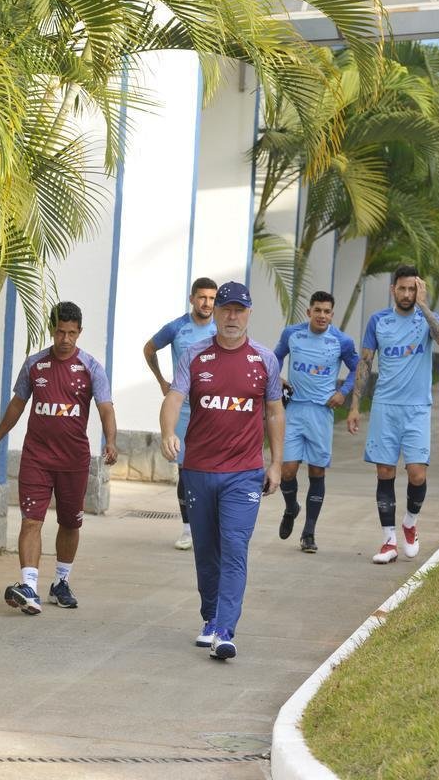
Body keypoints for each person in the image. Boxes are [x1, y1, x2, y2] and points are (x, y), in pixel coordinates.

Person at [160, 281, 284, 660]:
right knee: (207, 551)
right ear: (215, 313)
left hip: (244, 473)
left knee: (234, 547)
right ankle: (210, 616)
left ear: (248, 314)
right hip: (198, 469)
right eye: (226, 309)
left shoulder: (264, 359)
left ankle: (226, 630)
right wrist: (168, 432)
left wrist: (276, 463)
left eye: (239, 310)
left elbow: (275, 411)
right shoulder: (195, 356)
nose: (232, 316)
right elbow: (174, 398)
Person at [0, 301, 118, 614]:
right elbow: (17, 405)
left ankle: (60, 582)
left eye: (72, 333)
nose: (66, 339)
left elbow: (106, 407)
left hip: (73, 460)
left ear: (79, 332)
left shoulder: (91, 367)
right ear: (52, 330)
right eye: (60, 332)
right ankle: (29, 586)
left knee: (70, 522)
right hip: (37, 458)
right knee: (31, 520)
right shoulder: (34, 365)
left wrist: (110, 441)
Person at [347, 266, 439, 564]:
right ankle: (389, 540)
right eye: (402, 289)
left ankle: (410, 522)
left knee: (417, 473)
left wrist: (424, 305)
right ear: (393, 288)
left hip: (418, 408)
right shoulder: (378, 321)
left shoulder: (427, 320)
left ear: (418, 289)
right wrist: (355, 406)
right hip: (384, 408)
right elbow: (365, 364)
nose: (407, 294)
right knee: (385, 472)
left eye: (412, 289)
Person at [274, 291, 359, 553]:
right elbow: (275, 357)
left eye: (327, 312)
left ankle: (309, 533)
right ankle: (291, 508)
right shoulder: (292, 334)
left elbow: (358, 368)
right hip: (294, 411)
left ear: (332, 315)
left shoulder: (341, 341)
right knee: (287, 470)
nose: (322, 315)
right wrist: (276, 378)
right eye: (317, 310)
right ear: (309, 312)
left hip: (322, 414)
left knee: (316, 472)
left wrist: (343, 393)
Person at [144, 278, 217, 550]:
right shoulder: (177, 328)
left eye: (212, 298)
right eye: (202, 297)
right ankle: (188, 529)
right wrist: (163, 381)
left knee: (211, 470)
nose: (207, 303)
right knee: (186, 472)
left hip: (212, 410)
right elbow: (149, 348)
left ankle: (209, 525)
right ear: (192, 299)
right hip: (184, 411)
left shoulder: (220, 328)